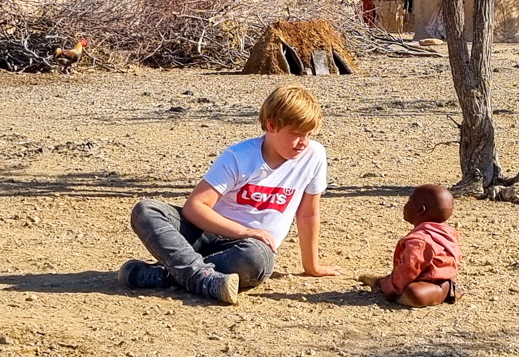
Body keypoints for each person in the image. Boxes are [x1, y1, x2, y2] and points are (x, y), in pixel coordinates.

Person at [119, 84, 340, 304]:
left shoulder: (314, 156)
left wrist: (312, 266)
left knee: (256, 258)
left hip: (247, 250)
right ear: (271, 126)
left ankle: (170, 274)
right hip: (207, 235)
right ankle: (202, 278)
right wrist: (244, 231)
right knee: (146, 210)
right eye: (297, 134)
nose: (304, 143)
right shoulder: (239, 156)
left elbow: (308, 214)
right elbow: (195, 207)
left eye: (309, 135)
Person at [377, 184, 462, 308]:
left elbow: (409, 269)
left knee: (413, 293)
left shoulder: (420, 241)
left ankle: (443, 292)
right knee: (401, 284)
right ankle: (446, 288)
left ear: (420, 210)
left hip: (429, 282)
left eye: (410, 201)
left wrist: (390, 288)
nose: (405, 205)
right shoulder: (446, 233)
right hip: (439, 278)